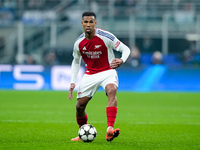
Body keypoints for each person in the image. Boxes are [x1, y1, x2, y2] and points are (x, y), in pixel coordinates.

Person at [68, 12, 130, 142]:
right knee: (79, 107)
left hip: (108, 71)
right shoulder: (78, 43)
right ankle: (82, 132)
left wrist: (122, 60)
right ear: (82, 24)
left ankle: (109, 129)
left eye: (91, 22)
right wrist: (73, 82)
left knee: (112, 90)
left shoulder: (106, 36)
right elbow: (76, 61)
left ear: (95, 23)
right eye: (86, 22)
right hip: (90, 74)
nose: (88, 24)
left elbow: (126, 49)